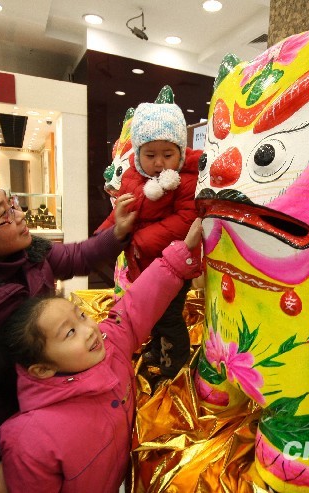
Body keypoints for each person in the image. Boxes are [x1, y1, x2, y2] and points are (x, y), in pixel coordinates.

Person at [0, 171, 136, 493]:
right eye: (4, 215)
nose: (20, 215)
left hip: (51, 399)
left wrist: (117, 233)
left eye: (12, 203)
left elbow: (77, 257)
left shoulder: (32, 257)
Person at [0, 219, 203, 493]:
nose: (90, 329)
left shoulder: (110, 345)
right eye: (69, 333)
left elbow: (136, 306)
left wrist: (179, 255)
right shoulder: (30, 440)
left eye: (81, 316)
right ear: (42, 369)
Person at [96, 97, 202, 379]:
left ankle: (174, 365)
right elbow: (123, 209)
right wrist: (104, 234)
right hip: (142, 264)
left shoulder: (186, 179)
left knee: (168, 316)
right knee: (150, 311)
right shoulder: (133, 177)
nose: (158, 163)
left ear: (180, 151)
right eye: (150, 155)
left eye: (167, 154)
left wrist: (142, 240)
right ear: (138, 152)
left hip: (174, 265)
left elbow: (187, 219)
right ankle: (157, 348)